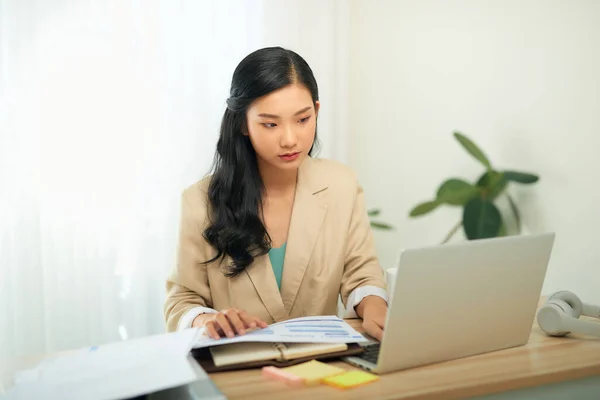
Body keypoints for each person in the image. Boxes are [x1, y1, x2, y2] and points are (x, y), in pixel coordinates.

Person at [164, 46, 389, 341]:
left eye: (303, 119)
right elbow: (182, 301)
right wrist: (207, 320)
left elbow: (361, 274)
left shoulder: (341, 185)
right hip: (240, 368)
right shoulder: (199, 202)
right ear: (243, 123)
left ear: (316, 112)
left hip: (322, 364)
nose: (290, 139)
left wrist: (374, 306)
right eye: (270, 124)